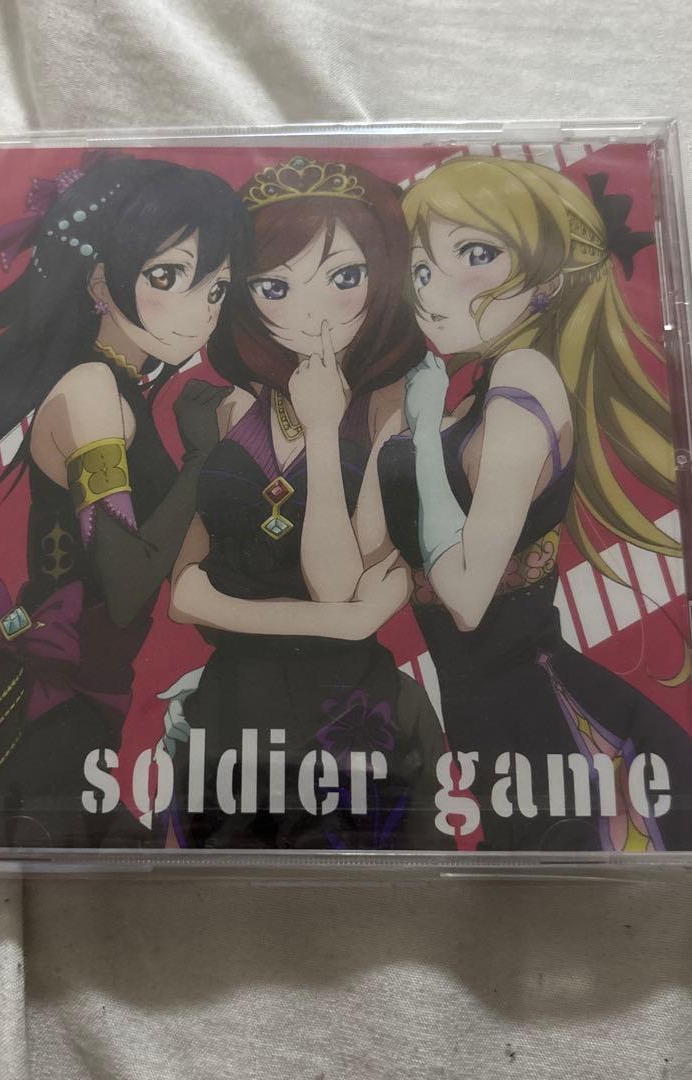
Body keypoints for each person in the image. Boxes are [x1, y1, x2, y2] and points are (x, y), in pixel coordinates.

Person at [377, 158, 692, 851]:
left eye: (476, 254)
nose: (432, 291)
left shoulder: (522, 377)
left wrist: (425, 435)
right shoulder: (469, 395)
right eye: (421, 268)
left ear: (547, 279)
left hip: (554, 720)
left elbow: (467, 597)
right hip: (487, 716)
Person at [0, 153, 250, 848]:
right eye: (168, 277)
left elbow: (172, 573)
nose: (200, 310)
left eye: (217, 287)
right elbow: (124, 585)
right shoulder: (93, 392)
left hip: (93, 693)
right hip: (45, 704)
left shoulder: (128, 392)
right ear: (102, 281)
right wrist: (202, 460)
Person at [164, 156, 445, 850]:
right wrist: (341, 621)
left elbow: (337, 588)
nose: (311, 311)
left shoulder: (394, 415)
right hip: (232, 705)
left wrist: (322, 430)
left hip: (349, 718)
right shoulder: (229, 410)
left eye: (344, 278)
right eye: (276, 287)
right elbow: (184, 594)